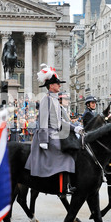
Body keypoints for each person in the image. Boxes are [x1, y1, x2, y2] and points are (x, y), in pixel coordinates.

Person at [25, 65, 82, 195]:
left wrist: (75, 128)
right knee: (66, 153)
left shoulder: (55, 100)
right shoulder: (46, 100)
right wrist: (44, 140)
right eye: (57, 84)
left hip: (57, 132)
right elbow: (43, 121)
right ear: (51, 86)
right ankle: (64, 186)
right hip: (48, 134)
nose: (59, 86)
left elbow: (60, 121)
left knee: (74, 145)